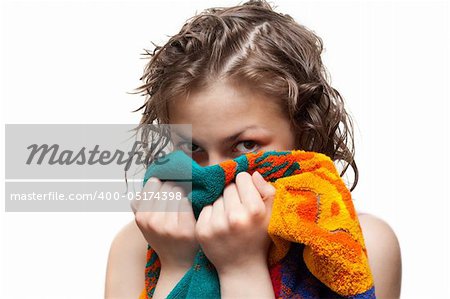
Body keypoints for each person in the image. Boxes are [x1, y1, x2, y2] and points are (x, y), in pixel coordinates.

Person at [105, 1, 402, 298]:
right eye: (193, 147)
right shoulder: (137, 244)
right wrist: (178, 264)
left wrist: (241, 268)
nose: (212, 173)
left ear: (304, 134)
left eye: (246, 145)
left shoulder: (363, 243)